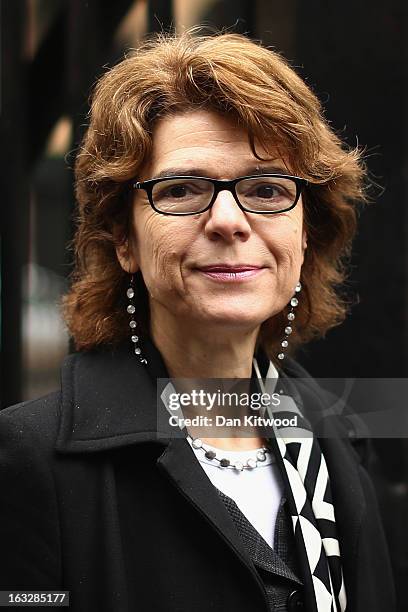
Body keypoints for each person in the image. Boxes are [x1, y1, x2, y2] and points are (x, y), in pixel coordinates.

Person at [0, 30, 395, 612]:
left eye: (266, 189)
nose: (229, 221)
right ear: (123, 240)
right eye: (182, 189)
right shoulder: (27, 461)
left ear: (306, 234)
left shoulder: (344, 441)